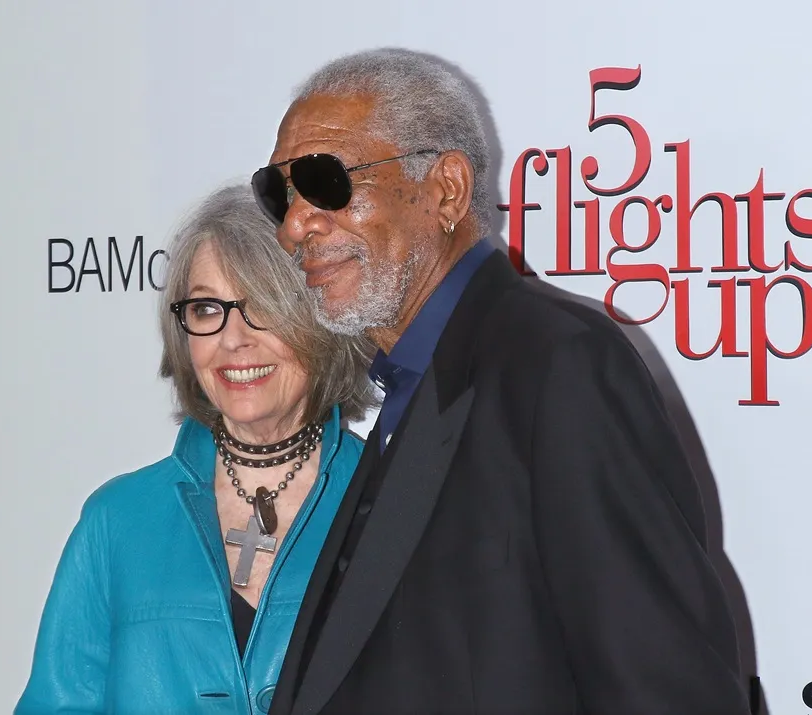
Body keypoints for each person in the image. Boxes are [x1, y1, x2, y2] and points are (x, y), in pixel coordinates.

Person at [252, 48, 750, 715]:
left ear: (448, 190)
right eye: (280, 194)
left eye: (326, 182)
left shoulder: (558, 367)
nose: (293, 225)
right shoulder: (414, 390)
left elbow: (669, 690)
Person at [12, 184, 376, 715]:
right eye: (207, 309)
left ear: (320, 319)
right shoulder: (118, 521)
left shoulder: (387, 505)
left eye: (262, 307)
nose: (233, 340)